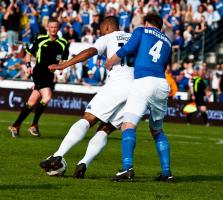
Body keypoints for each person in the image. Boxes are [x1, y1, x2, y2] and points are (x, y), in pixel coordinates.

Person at [40, 16, 134, 178]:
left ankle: (58, 155)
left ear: (106, 27)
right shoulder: (135, 37)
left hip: (117, 84)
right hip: (136, 90)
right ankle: (84, 163)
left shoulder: (108, 37)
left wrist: (63, 65)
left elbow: (90, 51)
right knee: (106, 129)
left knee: (88, 119)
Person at [105, 13, 173, 182]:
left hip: (144, 81)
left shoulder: (142, 30)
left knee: (128, 125)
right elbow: (163, 65)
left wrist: (110, 61)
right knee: (157, 130)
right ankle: (167, 172)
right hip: (162, 84)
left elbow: (128, 48)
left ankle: (127, 169)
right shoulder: (168, 41)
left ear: (147, 23)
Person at [8, 18, 69, 138]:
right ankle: (34, 125)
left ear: (58, 28)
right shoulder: (41, 39)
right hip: (39, 72)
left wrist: (59, 67)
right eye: (51, 27)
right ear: (47, 28)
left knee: (31, 101)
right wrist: (28, 66)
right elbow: (28, 53)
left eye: (55, 27)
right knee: (47, 97)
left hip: (50, 75)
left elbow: (64, 61)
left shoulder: (63, 43)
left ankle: (16, 125)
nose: (53, 29)